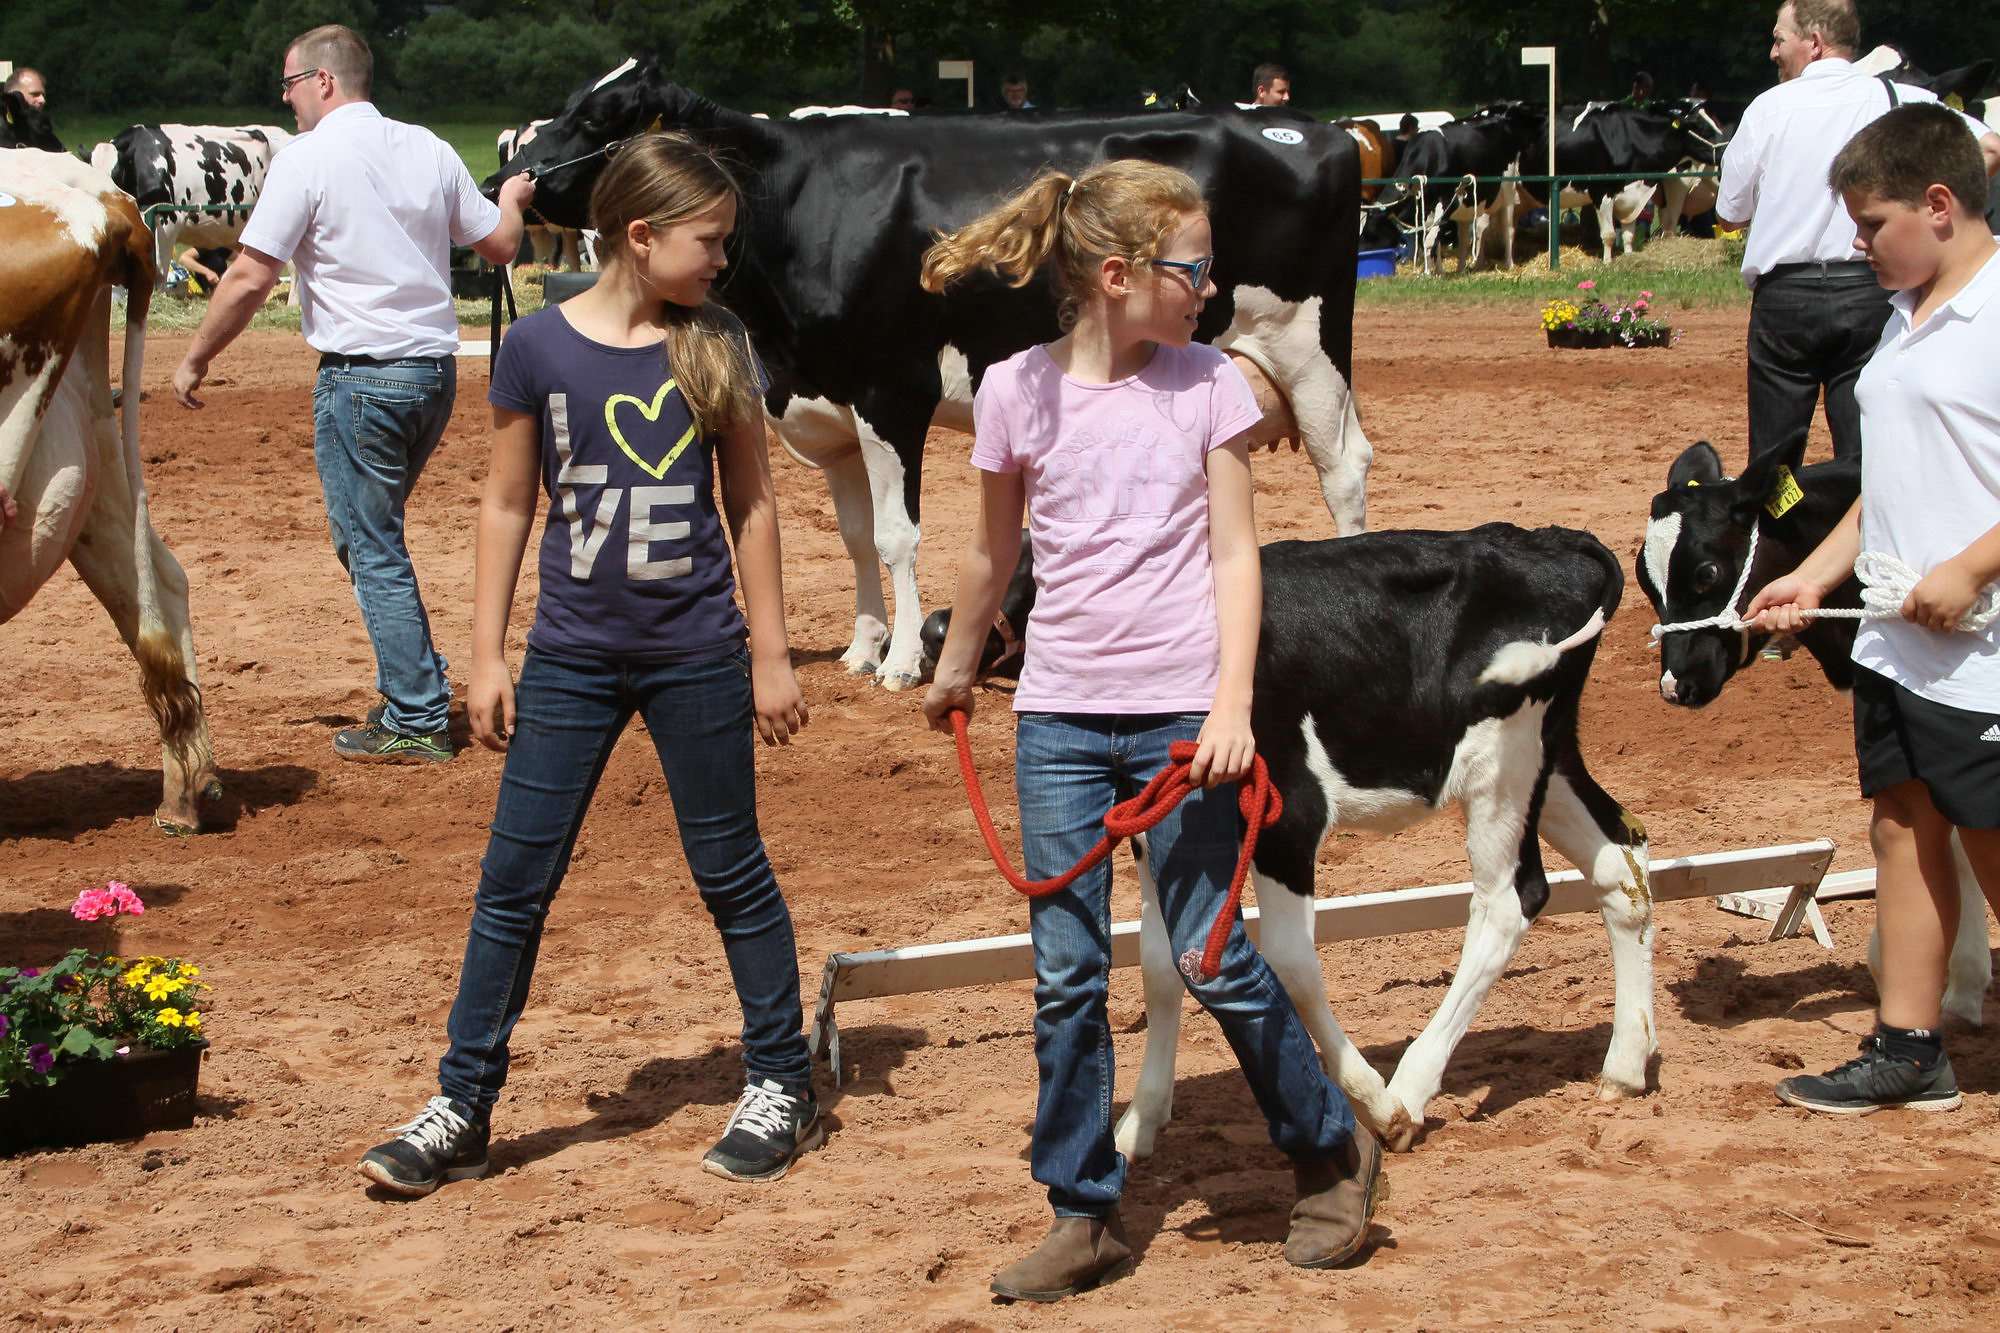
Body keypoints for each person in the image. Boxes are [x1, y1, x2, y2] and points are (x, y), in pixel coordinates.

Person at [919, 159, 1383, 1301]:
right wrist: (954, 660)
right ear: (1116, 275)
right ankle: (1082, 1209)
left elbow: (1236, 555)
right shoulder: (1014, 390)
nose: (1209, 288)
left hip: (1184, 714)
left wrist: (1230, 708)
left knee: (1210, 951)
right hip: (1061, 718)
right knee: (1064, 975)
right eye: (1191, 268)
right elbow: (992, 550)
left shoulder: (1211, 387)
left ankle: (1328, 1151)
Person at [356, 132, 820, 1196]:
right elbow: (507, 501)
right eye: (708, 241)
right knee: (512, 883)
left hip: (696, 653)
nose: (721, 260)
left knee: (730, 871)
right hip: (569, 656)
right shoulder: (537, 351)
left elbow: (749, 503)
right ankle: (462, 1104)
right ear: (640, 233)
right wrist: (484, 655)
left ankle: (780, 1082)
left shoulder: (716, 342)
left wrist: (770, 653)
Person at [171, 25, 534, 763]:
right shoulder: (430, 147)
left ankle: (416, 711)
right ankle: (416, 680)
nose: (287, 99)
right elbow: (500, 245)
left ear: (324, 82)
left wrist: (196, 356)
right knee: (370, 537)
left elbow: (248, 275)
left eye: (289, 84)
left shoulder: (307, 158)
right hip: (432, 375)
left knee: (370, 544)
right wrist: (517, 198)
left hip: (361, 378)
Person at [1747, 104, 2000, 1115]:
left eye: (1869, 223)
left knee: (1990, 841)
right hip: (1900, 644)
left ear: (1937, 205)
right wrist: (1814, 574)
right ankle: (1907, 1045)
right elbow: (1883, 484)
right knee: (1900, 824)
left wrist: (1975, 568)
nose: (1854, 246)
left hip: (1979, 649)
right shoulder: (1902, 318)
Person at [1715, 0, 2000, 469]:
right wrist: (1920, 210)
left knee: (1774, 461)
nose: (1772, 52)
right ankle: (1864, 531)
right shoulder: (1895, 98)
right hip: (1868, 294)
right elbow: (1987, 147)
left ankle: (1776, 534)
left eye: (1778, 38)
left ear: (1814, 42)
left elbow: (1730, 215)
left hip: (1786, 301)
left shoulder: (1767, 109)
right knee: (1865, 450)